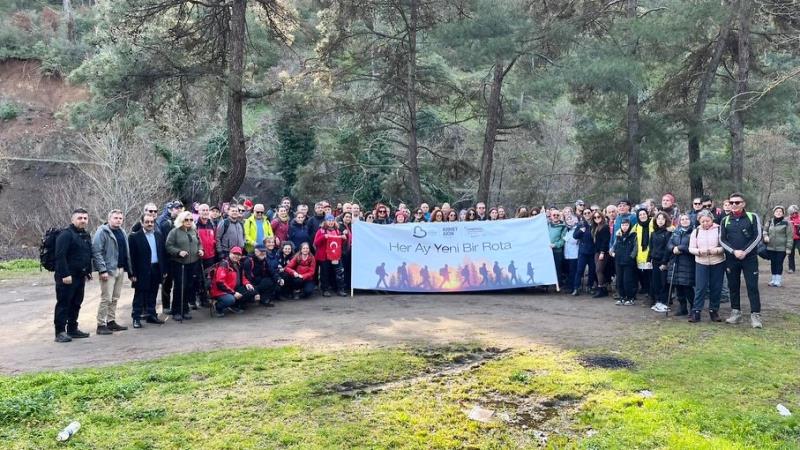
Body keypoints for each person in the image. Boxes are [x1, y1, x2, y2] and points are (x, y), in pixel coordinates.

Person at [719, 192, 763, 328]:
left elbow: (757, 236)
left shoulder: (752, 217)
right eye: (731, 202)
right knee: (733, 286)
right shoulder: (725, 220)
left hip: (749, 258)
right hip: (732, 259)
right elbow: (722, 239)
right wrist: (733, 251)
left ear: (743, 203)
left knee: (752, 286)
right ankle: (736, 313)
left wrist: (745, 251)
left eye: (737, 202)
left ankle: (755, 316)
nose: (734, 205)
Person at [53, 208, 93, 343]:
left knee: (76, 303)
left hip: (80, 276)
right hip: (66, 277)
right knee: (64, 304)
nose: (83, 220)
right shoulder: (65, 235)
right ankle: (60, 332)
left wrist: (88, 271)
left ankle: (72, 329)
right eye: (79, 218)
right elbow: (60, 256)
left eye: (85, 218)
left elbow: (88, 254)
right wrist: (65, 274)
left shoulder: (85, 235)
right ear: (73, 220)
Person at [92, 209, 132, 335]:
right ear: (109, 219)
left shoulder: (122, 231)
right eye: (115, 218)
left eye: (120, 218)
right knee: (106, 298)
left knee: (115, 297)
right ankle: (101, 324)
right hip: (108, 270)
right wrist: (102, 269)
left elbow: (126, 251)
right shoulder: (102, 232)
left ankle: (111, 321)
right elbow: (97, 252)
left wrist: (129, 269)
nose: (118, 220)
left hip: (120, 269)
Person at [127, 214, 167, 328]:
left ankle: (151, 315)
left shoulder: (158, 235)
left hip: (156, 268)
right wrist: (132, 273)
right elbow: (131, 257)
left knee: (153, 294)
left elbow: (162, 254)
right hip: (141, 270)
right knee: (139, 295)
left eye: (152, 222)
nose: (150, 224)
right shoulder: (134, 237)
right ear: (141, 222)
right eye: (147, 222)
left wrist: (163, 270)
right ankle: (136, 318)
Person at [165, 211, 204, 321]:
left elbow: (199, 243)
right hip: (179, 264)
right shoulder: (175, 232)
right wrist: (178, 252)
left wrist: (201, 250)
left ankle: (185, 309)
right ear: (181, 220)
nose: (189, 222)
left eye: (191, 220)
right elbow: (168, 246)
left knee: (189, 286)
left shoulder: (194, 230)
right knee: (180, 287)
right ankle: (176, 310)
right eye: (186, 220)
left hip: (193, 263)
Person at [688, 210, 725, 323]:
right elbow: (691, 248)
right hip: (701, 262)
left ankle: (714, 311)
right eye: (702, 221)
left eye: (707, 221)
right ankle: (696, 311)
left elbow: (724, 245)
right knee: (700, 287)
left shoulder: (719, 229)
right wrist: (699, 251)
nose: (705, 223)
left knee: (716, 287)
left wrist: (716, 250)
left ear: (712, 220)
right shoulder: (696, 231)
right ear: (699, 221)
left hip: (717, 261)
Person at [210, 246, 255, 316]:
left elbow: (243, 277)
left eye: (239, 255)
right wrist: (233, 293)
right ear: (230, 254)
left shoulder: (239, 264)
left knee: (251, 290)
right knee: (230, 299)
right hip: (220, 291)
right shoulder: (224, 264)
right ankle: (217, 306)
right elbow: (220, 282)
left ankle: (234, 305)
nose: (236, 256)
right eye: (234, 254)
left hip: (233, 289)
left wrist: (247, 283)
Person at [666, 214, 696, 316]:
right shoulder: (675, 232)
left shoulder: (694, 232)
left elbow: (693, 247)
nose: (684, 221)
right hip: (676, 262)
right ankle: (682, 308)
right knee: (678, 286)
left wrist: (681, 248)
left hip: (688, 263)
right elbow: (669, 244)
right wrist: (672, 248)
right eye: (682, 219)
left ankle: (693, 308)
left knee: (687, 287)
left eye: (686, 219)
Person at [157, 201, 183, 314]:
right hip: (168, 257)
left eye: (180, 208)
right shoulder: (165, 222)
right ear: (170, 209)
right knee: (167, 283)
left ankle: (175, 306)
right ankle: (166, 306)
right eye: (177, 208)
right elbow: (165, 242)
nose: (179, 210)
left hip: (178, 257)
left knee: (177, 282)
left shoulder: (181, 221)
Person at [313, 214, 348, 297]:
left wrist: (344, 239)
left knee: (339, 272)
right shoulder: (321, 231)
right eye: (329, 220)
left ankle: (340, 289)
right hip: (324, 256)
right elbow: (316, 243)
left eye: (332, 221)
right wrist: (324, 237)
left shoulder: (337, 231)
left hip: (335, 255)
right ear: (325, 221)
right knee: (325, 273)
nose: (331, 222)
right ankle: (325, 289)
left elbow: (340, 244)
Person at [648, 212, 673, 313]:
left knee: (664, 283)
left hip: (664, 261)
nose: (660, 221)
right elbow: (651, 247)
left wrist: (664, 262)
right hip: (655, 261)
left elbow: (668, 249)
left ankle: (664, 302)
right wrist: (648, 259)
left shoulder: (668, 233)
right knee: (656, 282)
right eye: (658, 219)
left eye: (662, 219)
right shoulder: (653, 233)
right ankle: (658, 301)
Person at [610, 218, 638, 305]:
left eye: (626, 225)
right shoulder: (618, 235)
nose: (624, 227)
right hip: (618, 261)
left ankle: (630, 298)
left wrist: (631, 257)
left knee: (628, 280)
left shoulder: (633, 235)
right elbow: (614, 246)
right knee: (620, 280)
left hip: (629, 262)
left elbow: (635, 248)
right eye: (623, 225)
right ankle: (622, 296)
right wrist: (612, 252)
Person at [763, 205, 792, 287]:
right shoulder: (769, 222)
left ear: (783, 213)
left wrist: (788, 248)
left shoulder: (786, 223)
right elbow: (764, 231)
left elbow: (790, 236)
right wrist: (765, 236)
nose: (778, 213)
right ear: (774, 213)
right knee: (773, 263)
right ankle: (773, 279)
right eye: (777, 211)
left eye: (780, 212)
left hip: (782, 248)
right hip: (770, 247)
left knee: (779, 263)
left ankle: (778, 280)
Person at [195, 203, 217, 308]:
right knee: (199, 278)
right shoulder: (195, 224)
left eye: (206, 210)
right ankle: (200, 298)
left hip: (211, 256)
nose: (205, 212)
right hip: (199, 256)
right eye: (203, 210)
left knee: (209, 278)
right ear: (199, 211)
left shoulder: (211, 224)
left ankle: (207, 296)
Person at [572, 209, 596, 296]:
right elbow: (574, 236)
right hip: (583, 251)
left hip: (593, 251)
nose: (587, 214)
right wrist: (580, 231)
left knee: (592, 270)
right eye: (585, 213)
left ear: (591, 213)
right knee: (579, 270)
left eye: (588, 213)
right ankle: (576, 288)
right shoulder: (580, 224)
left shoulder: (595, 223)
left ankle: (589, 287)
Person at [632, 208, 653, 303]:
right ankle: (648, 294)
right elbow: (629, 234)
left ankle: (652, 296)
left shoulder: (653, 223)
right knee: (644, 277)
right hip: (640, 256)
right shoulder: (637, 226)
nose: (642, 216)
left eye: (644, 214)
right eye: (640, 215)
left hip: (651, 254)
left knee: (651, 277)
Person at [591, 211, 611, 298]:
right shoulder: (595, 227)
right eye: (595, 217)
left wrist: (602, 252)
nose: (597, 219)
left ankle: (601, 288)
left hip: (603, 252)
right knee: (599, 270)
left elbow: (605, 241)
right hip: (596, 251)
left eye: (598, 217)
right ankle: (603, 289)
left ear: (602, 217)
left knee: (599, 270)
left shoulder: (605, 227)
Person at [548, 210, 567, 291]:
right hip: (547, 251)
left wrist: (555, 245)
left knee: (557, 269)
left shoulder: (563, 226)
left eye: (557, 215)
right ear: (551, 216)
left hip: (557, 251)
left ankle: (558, 285)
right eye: (554, 215)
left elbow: (563, 240)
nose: (555, 216)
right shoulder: (547, 225)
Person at [563, 214, 579, 293]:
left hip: (574, 254)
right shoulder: (567, 229)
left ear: (575, 220)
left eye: (571, 219)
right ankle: (570, 286)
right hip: (567, 254)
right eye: (567, 219)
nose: (569, 220)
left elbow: (574, 240)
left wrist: (565, 238)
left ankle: (573, 287)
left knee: (573, 271)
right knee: (569, 271)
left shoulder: (577, 228)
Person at [788, 205, 800, 273]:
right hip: (791, 238)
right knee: (790, 254)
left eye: (796, 212)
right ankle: (791, 268)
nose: (794, 214)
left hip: (799, 238)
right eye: (793, 213)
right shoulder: (787, 219)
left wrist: (797, 225)